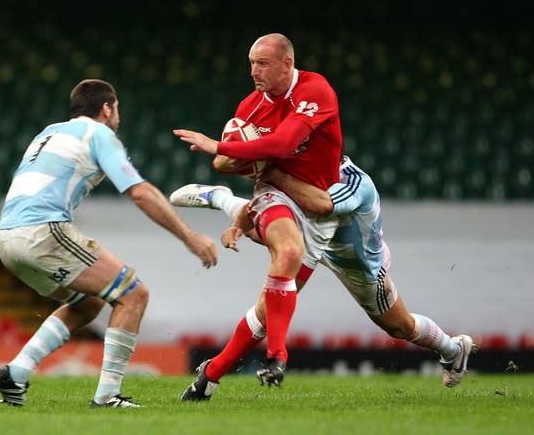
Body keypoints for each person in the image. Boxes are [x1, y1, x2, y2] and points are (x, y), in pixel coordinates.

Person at [0, 79, 218, 408]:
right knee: (132, 293)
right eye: (117, 110)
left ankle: (17, 373)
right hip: (41, 230)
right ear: (107, 108)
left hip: (6, 237)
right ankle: (107, 396)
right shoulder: (99, 134)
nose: (118, 118)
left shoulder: (49, 132)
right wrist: (190, 237)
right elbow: (139, 191)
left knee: (89, 302)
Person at [170, 156, 477, 401]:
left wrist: (269, 174)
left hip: (357, 264)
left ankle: (452, 349)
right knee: (269, 302)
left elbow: (322, 206)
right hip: (315, 239)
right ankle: (210, 377)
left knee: (399, 326)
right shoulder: (301, 171)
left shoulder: (353, 182)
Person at [173, 33, 343, 386]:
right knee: (288, 252)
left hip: (318, 198)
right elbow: (224, 160)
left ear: (287, 64)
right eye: (251, 63)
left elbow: (283, 143)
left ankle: (212, 372)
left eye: (262, 63)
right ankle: (277, 357)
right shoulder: (249, 107)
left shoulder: (315, 89)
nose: (254, 71)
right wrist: (226, 157)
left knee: (393, 322)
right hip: (274, 190)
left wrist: (214, 145)